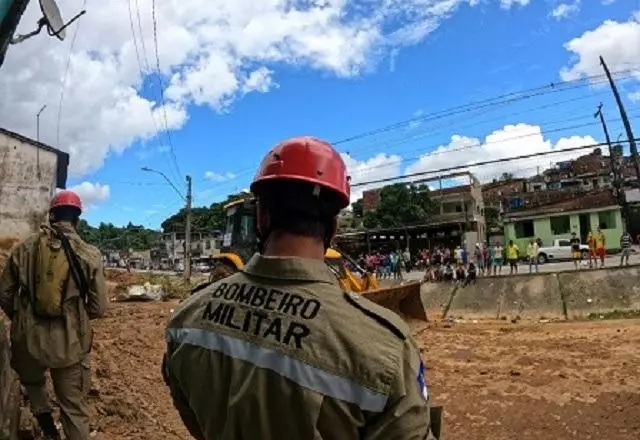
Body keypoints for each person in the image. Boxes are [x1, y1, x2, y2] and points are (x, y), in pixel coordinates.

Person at [162, 137, 435, 439]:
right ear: (333, 228)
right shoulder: (386, 350)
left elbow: (189, 409)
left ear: (263, 217)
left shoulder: (186, 319)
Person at [0, 190, 108, 440]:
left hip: (27, 338)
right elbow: (99, 308)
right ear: (77, 219)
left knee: (34, 384)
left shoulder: (22, 249)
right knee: (73, 408)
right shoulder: (89, 254)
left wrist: (20, 318)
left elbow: (4, 294)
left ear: (51, 216)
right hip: (69, 344)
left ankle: (46, 423)